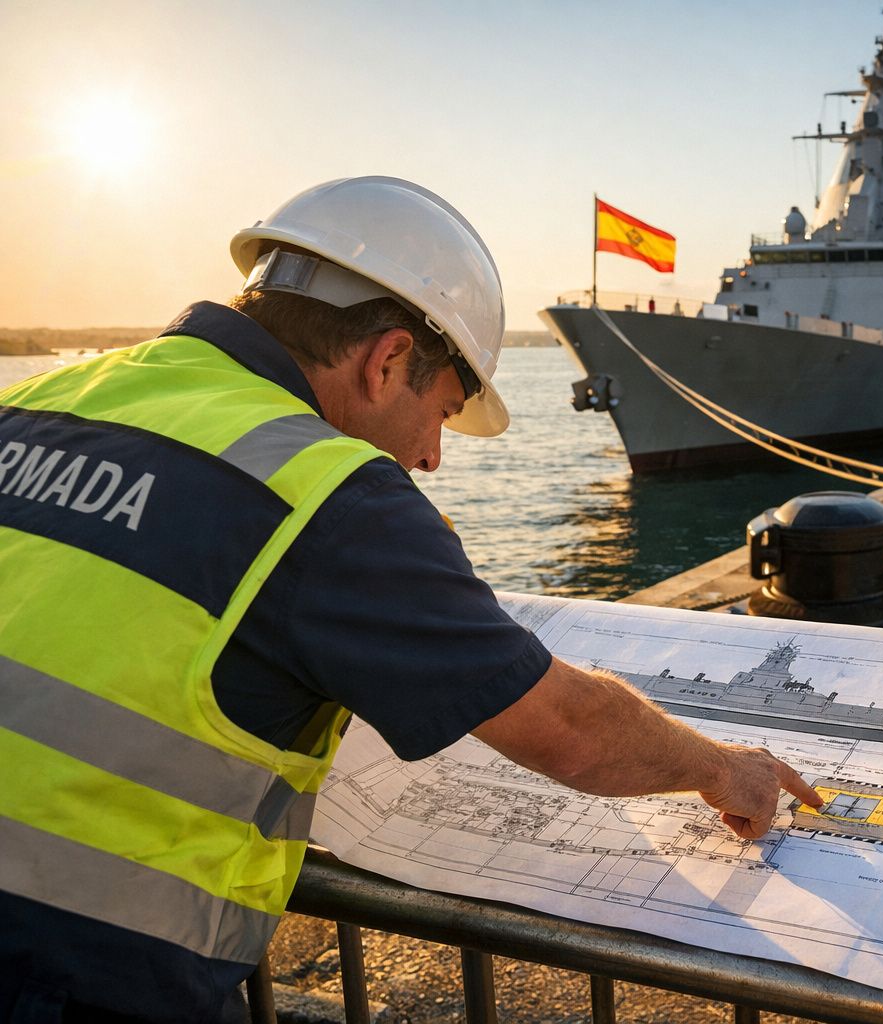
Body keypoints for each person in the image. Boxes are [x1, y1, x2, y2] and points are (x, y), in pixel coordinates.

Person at [0, 176, 822, 1024]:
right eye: (442, 411)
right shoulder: (330, 495)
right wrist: (724, 770)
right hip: (68, 978)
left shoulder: (36, 402)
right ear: (387, 359)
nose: (431, 457)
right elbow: (570, 733)